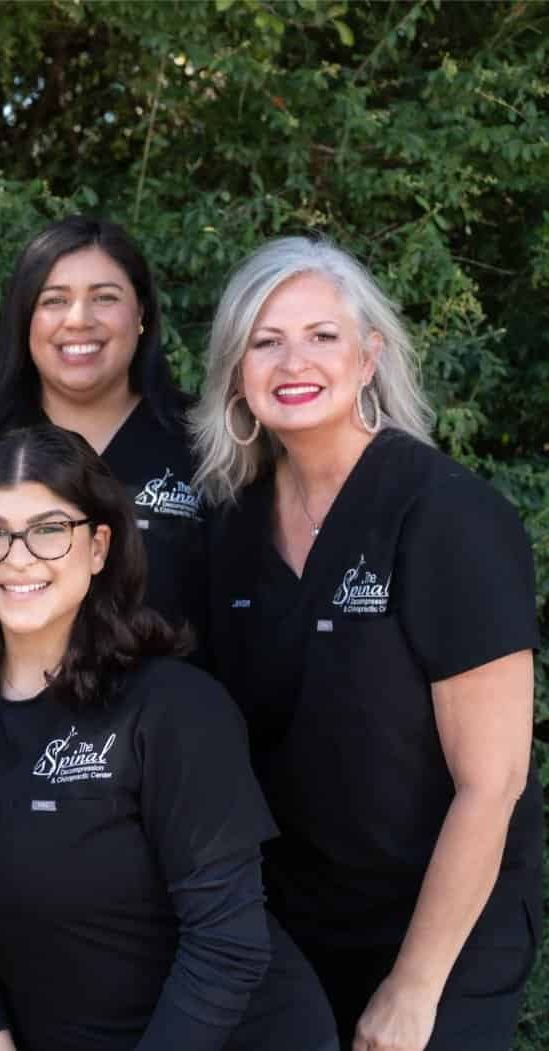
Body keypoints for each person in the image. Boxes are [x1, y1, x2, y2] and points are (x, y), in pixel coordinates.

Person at [193, 237, 541, 1050]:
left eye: (322, 335)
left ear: (368, 355)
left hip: (443, 931)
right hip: (294, 927)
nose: (293, 362)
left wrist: (413, 985)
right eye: (264, 341)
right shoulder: (231, 526)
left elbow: (492, 782)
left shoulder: (447, 515)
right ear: (236, 371)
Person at [0, 424, 337, 1051]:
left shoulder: (175, 710)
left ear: (98, 546)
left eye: (49, 529)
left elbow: (227, 946)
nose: (17, 557)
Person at [0, 217, 203, 633]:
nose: (78, 319)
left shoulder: (205, 439)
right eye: (54, 300)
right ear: (25, 317)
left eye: (105, 297)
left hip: (172, 675)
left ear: (141, 312)